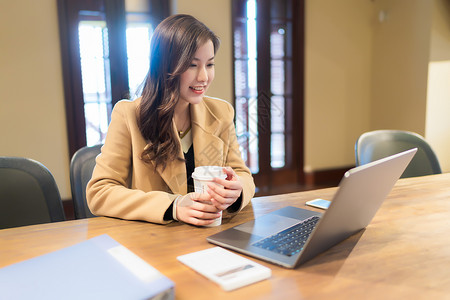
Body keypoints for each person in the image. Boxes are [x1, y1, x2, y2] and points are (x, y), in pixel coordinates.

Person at [86, 14, 255, 226]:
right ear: (164, 67)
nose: (204, 77)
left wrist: (236, 191)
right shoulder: (128, 115)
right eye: (193, 65)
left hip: (212, 235)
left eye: (209, 64)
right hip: (154, 241)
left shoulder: (221, 112)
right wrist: (173, 206)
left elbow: (242, 174)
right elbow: (100, 192)